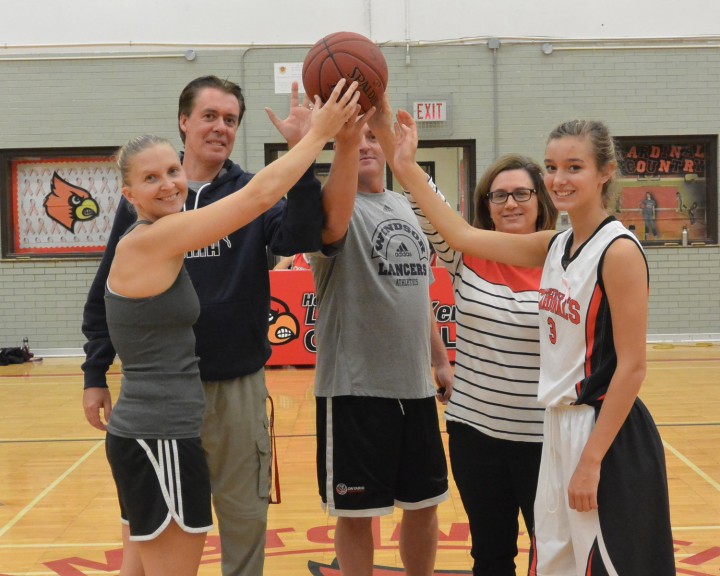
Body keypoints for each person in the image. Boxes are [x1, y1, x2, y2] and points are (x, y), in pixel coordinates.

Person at [384, 112, 675, 576]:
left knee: (605, 565)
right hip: (554, 428)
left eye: (574, 167)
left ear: (606, 172)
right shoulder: (556, 246)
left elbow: (633, 368)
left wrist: (591, 460)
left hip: (598, 430)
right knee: (553, 563)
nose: (560, 179)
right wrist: (406, 167)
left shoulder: (618, 251)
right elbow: (460, 235)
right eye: (553, 167)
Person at [81, 75, 349, 576]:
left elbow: (297, 230)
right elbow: (255, 201)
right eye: (209, 116)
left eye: (230, 119)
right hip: (160, 417)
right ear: (183, 122)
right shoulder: (152, 225)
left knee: (212, 531)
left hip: (213, 393)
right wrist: (316, 138)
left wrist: (307, 159)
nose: (220, 127)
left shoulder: (197, 203)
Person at [309, 106, 450, 575]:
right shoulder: (335, 205)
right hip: (355, 391)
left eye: (374, 135)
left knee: (424, 503)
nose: (366, 143)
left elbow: (418, 291)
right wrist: (339, 141)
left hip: (414, 387)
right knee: (356, 515)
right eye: (355, 136)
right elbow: (331, 223)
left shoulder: (404, 204)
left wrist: (440, 360)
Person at [404, 154, 558, 575]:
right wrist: (399, 153)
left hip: (546, 440)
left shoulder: (566, 260)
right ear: (486, 205)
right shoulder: (465, 254)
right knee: (490, 555)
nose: (511, 203)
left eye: (521, 193)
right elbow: (426, 203)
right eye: (499, 195)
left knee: (553, 555)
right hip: (476, 437)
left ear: (540, 200)